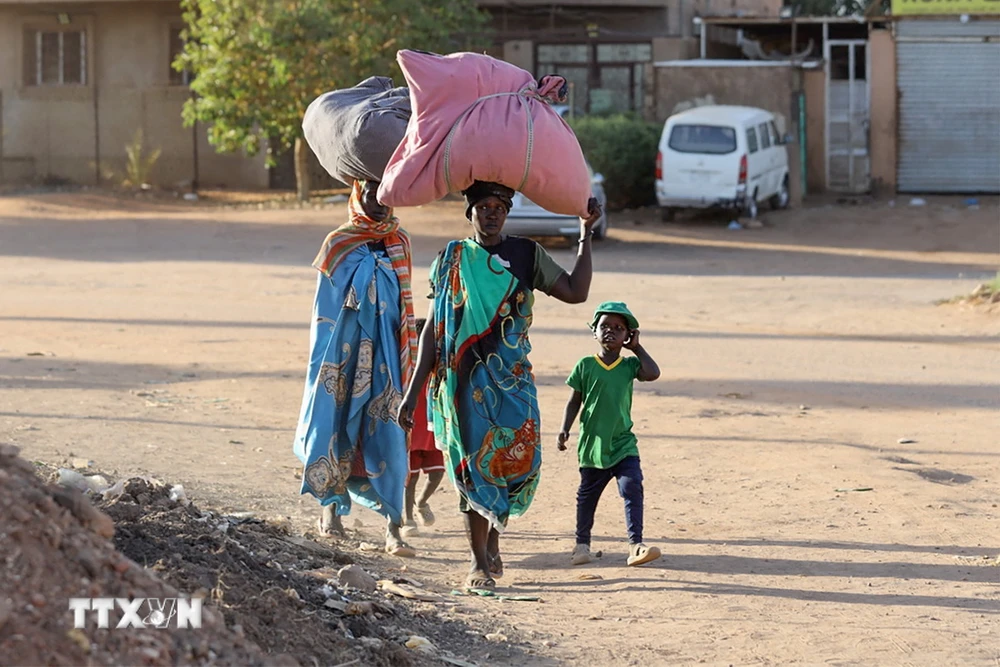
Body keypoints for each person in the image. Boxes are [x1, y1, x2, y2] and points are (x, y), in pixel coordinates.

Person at [398, 180, 603, 592]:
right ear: (469, 212)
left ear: (507, 213)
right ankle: (477, 563)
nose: (491, 213)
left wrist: (585, 233)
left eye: (499, 207)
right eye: (483, 207)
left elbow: (576, 293)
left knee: (514, 463)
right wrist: (413, 390)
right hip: (462, 384)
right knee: (473, 469)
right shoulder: (451, 259)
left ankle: (493, 534)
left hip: (512, 381)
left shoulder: (527, 254)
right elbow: (434, 331)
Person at [292, 179, 418, 557]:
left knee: (391, 434)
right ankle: (330, 511)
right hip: (341, 357)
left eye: (386, 196)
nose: (379, 204)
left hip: (387, 357)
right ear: (356, 195)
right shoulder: (338, 244)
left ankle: (395, 528)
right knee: (334, 424)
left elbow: (404, 307)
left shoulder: (400, 243)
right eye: (370, 194)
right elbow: (323, 313)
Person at [557, 301, 662, 567]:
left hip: (623, 443)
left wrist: (637, 348)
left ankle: (636, 545)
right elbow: (574, 401)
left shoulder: (628, 366)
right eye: (604, 326)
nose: (610, 332)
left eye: (618, 328)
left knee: (631, 487)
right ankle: (582, 546)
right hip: (593, 445)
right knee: (587, 497)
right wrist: (564, 429)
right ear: (594, 331)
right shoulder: (585, 365)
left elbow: (653, 373)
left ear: (627, 335)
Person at [402, 318, 445, 536]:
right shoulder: (407, 370)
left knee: (436, 475)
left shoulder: (438, 370)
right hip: (413, 432)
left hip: (432, 431)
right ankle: (408, 518)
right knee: (411, 478)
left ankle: (422, 502)